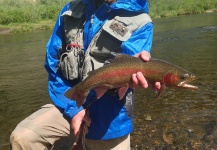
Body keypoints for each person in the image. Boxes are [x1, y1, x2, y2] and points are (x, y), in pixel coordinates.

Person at [10, 0, 161, 149]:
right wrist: (73, 110)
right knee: (23, 138)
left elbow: (134, 67)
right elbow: (53, 65)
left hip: (110, 118)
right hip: (69, 102)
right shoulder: (69, 10)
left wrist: (134, 71)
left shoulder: (141, 21)